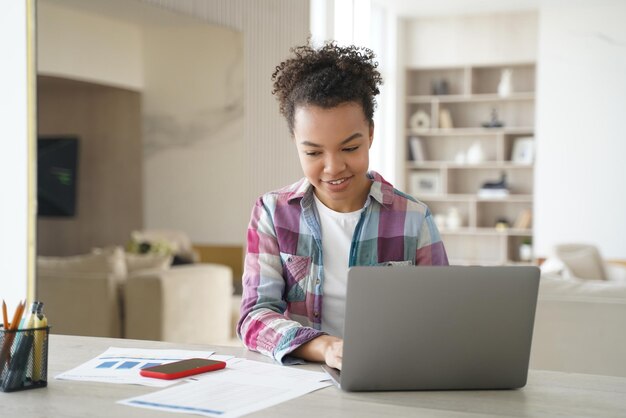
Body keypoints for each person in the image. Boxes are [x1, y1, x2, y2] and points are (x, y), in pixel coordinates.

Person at [237, 42, 448, 369]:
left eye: (350, 148)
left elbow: (443, 318)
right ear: (295, 141)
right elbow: (254, 317)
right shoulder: (271, 214)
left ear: (371, 134)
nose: (333, 167)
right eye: (313, 153)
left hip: (393, 376)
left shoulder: (414, 219)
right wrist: (325, 347)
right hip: (303, 379)